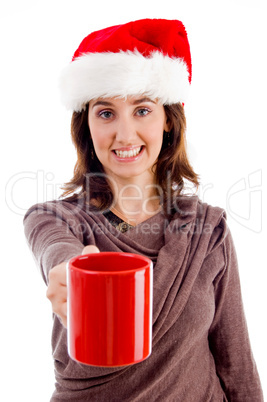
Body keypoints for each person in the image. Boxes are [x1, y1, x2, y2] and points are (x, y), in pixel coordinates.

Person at [24, 18, 263, 401]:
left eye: (142, 110)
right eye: (105, 113)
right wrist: (71, 274)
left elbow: (236, 362)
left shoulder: (208, 228)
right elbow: (55, 251)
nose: (124, 134)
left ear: (168, 119)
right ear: (85, 124)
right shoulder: (54, 219)